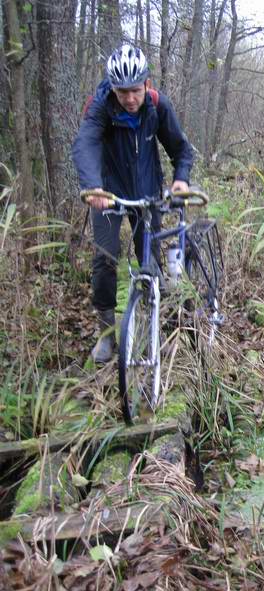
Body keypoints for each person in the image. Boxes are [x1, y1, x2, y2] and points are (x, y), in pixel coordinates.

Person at [72, 44, 194, 363]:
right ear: (113, 89)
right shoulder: (100, 107)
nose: (130, 99)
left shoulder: (157, 106)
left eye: (135, 90)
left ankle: (152, 327)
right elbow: (84, 144)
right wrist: (93, 187)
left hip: (147, 195)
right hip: (110, 195)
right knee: (104, 259)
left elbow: (181, 149)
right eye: (122, 91)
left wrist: (181, 178)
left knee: (149, 263)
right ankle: (106, 334)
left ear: (147, 85)